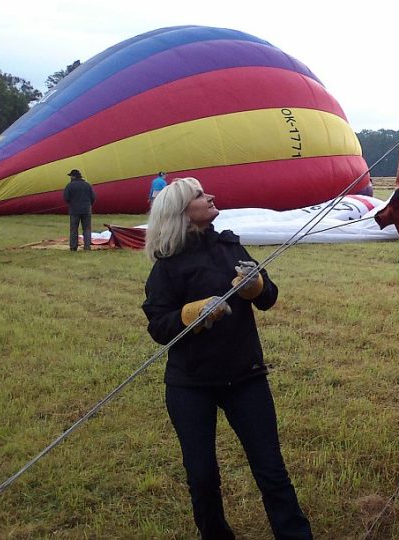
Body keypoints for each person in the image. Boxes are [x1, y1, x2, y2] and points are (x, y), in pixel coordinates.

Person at [141, 177, 312, 540]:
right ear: (183, 214)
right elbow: (158, 325)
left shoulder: (230, 246)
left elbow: (268, 298)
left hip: (245, 376)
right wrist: (190, 314)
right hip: (191, 384)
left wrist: (257, 286)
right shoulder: (167, 266)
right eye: (201, 195)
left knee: (270, 468)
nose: (211, 196)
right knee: (202, 476)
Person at [62, 169, 96, 251]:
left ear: (73, 176)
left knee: (74, 229)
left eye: (71, 176)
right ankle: (87, 246)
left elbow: (66, 197)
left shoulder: (70, 186)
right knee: (87, 229)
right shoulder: (87, 185)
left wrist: (71, 203)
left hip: (74, 210)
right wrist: (89, 204)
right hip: (86, 210)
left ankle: (73, 247)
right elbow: (93, 197)